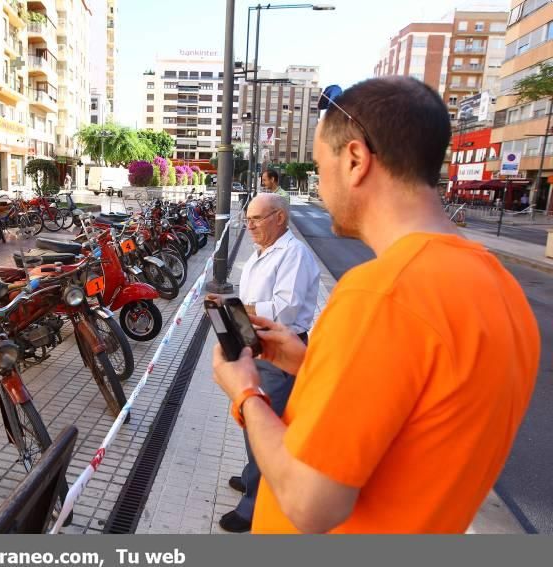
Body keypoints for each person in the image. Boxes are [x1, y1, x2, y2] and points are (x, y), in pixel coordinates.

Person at [213, 76, 540, 534]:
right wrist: (310, 364)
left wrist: (245, 392)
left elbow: (311, 506)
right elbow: (419, 420)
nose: (321, 189)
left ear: (354, 160)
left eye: (318, 167)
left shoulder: (381, 294)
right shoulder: (504, 292)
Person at [210, 193, 320, 532]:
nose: (250, 224)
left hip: (281, 348)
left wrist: (240, 308)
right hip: (256, 343)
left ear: (280, 218)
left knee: (264, 423)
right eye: (249, 218)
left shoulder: (294, 254)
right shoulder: (264, 252)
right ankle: (251, 477)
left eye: (258, 218)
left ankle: (254, 505)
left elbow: (285, 308)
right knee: (249, 418)